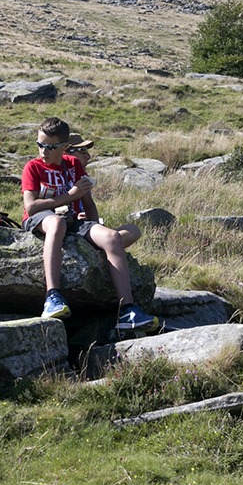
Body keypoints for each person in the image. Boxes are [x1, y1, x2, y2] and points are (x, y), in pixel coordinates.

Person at [22, 116, 158, 331]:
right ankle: (52, 297)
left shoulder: (73, 164)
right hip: (42, 219)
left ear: (64, 147)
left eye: (50, 146)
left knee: (112, 237)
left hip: (74, 221)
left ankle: (127, 310)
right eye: (40, 145)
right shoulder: (33, 167)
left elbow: (87, 201)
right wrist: (68, 195)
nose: (43, 151)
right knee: (57, 223)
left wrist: (95, 229)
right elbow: (30, 207)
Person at [64, 132, 140, 249]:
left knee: (133, 231)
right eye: (82, 151)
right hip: (69, 229)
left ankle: (104, 250)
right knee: (118, 238)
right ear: (65, 152)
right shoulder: (55, 176)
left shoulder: (81, 175)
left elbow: (88, 206)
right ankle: (107, 249)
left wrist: (92, 221)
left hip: (86, 227)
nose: (88, 156)